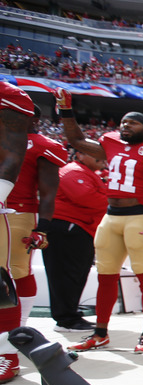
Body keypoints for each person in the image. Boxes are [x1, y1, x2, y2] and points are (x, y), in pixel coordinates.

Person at [55, 88, 143, 354]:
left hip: (140, 216)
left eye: (132, 122)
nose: (125, 126)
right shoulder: (110, 142)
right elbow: (77, 140)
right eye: (123, 122)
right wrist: (66, 111)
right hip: (110, 217)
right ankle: (100, 333)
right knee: (105, 277)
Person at [3, 106, 67, 327]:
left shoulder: (43, 146)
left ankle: (19, 326)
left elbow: (48, 193)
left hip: (17, 212)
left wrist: (42, 228)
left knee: (17, 269)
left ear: (32, 118)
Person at [43, 150, 108, 332]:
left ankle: (69, 314)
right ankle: (66, 319)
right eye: (97, 153)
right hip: (68, 228)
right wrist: (114, 200)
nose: (103, 158)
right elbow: (88, 199)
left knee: (76, 274)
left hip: (79, 229)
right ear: (79, 154)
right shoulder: (72, 171)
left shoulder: (85, 172)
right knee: (66, 274)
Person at [0, 80, 35, 383]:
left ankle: (6, 354)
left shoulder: (8, 96)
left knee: (2, 277)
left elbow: (13, 151)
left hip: (12, 205)